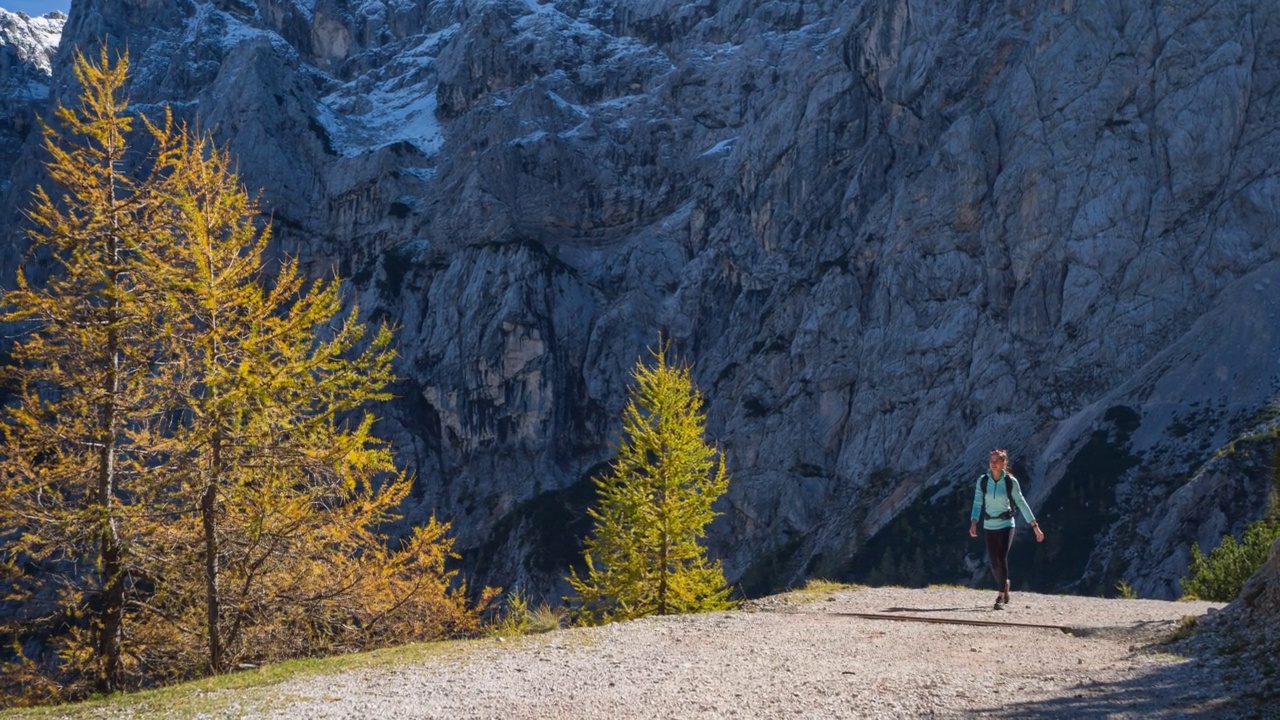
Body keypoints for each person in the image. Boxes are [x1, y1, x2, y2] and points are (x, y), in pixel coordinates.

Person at [968, 448, 1044, 609]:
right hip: (989, 525)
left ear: (1004, 464)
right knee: (993, 562)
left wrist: (1035, 526)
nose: (993, 464)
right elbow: (977, 502)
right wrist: (974, 521)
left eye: (997, 461)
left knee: (1001, 557)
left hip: (1006, 524)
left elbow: (1022, 503)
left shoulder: (1010, 482)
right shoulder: (982, 481)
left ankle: (1001, 595)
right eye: (991, 461)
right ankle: (1005, 584)